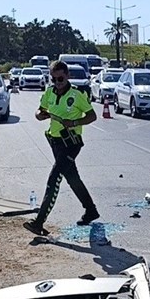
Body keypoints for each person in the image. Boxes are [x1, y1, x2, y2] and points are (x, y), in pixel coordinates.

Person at [24, 60, 100, 236]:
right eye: (54, 79)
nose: (57, 83)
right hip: (55, 141)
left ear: (67, 76)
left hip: (71, 143)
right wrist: (40, 115)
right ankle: (91, 210)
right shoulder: (50, 92)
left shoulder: (77, 94)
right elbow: (39, 110)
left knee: (54, 179)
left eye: (60, 79)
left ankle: (39, 221)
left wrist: (73, 122)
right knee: (72, 178)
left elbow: (92, 116)